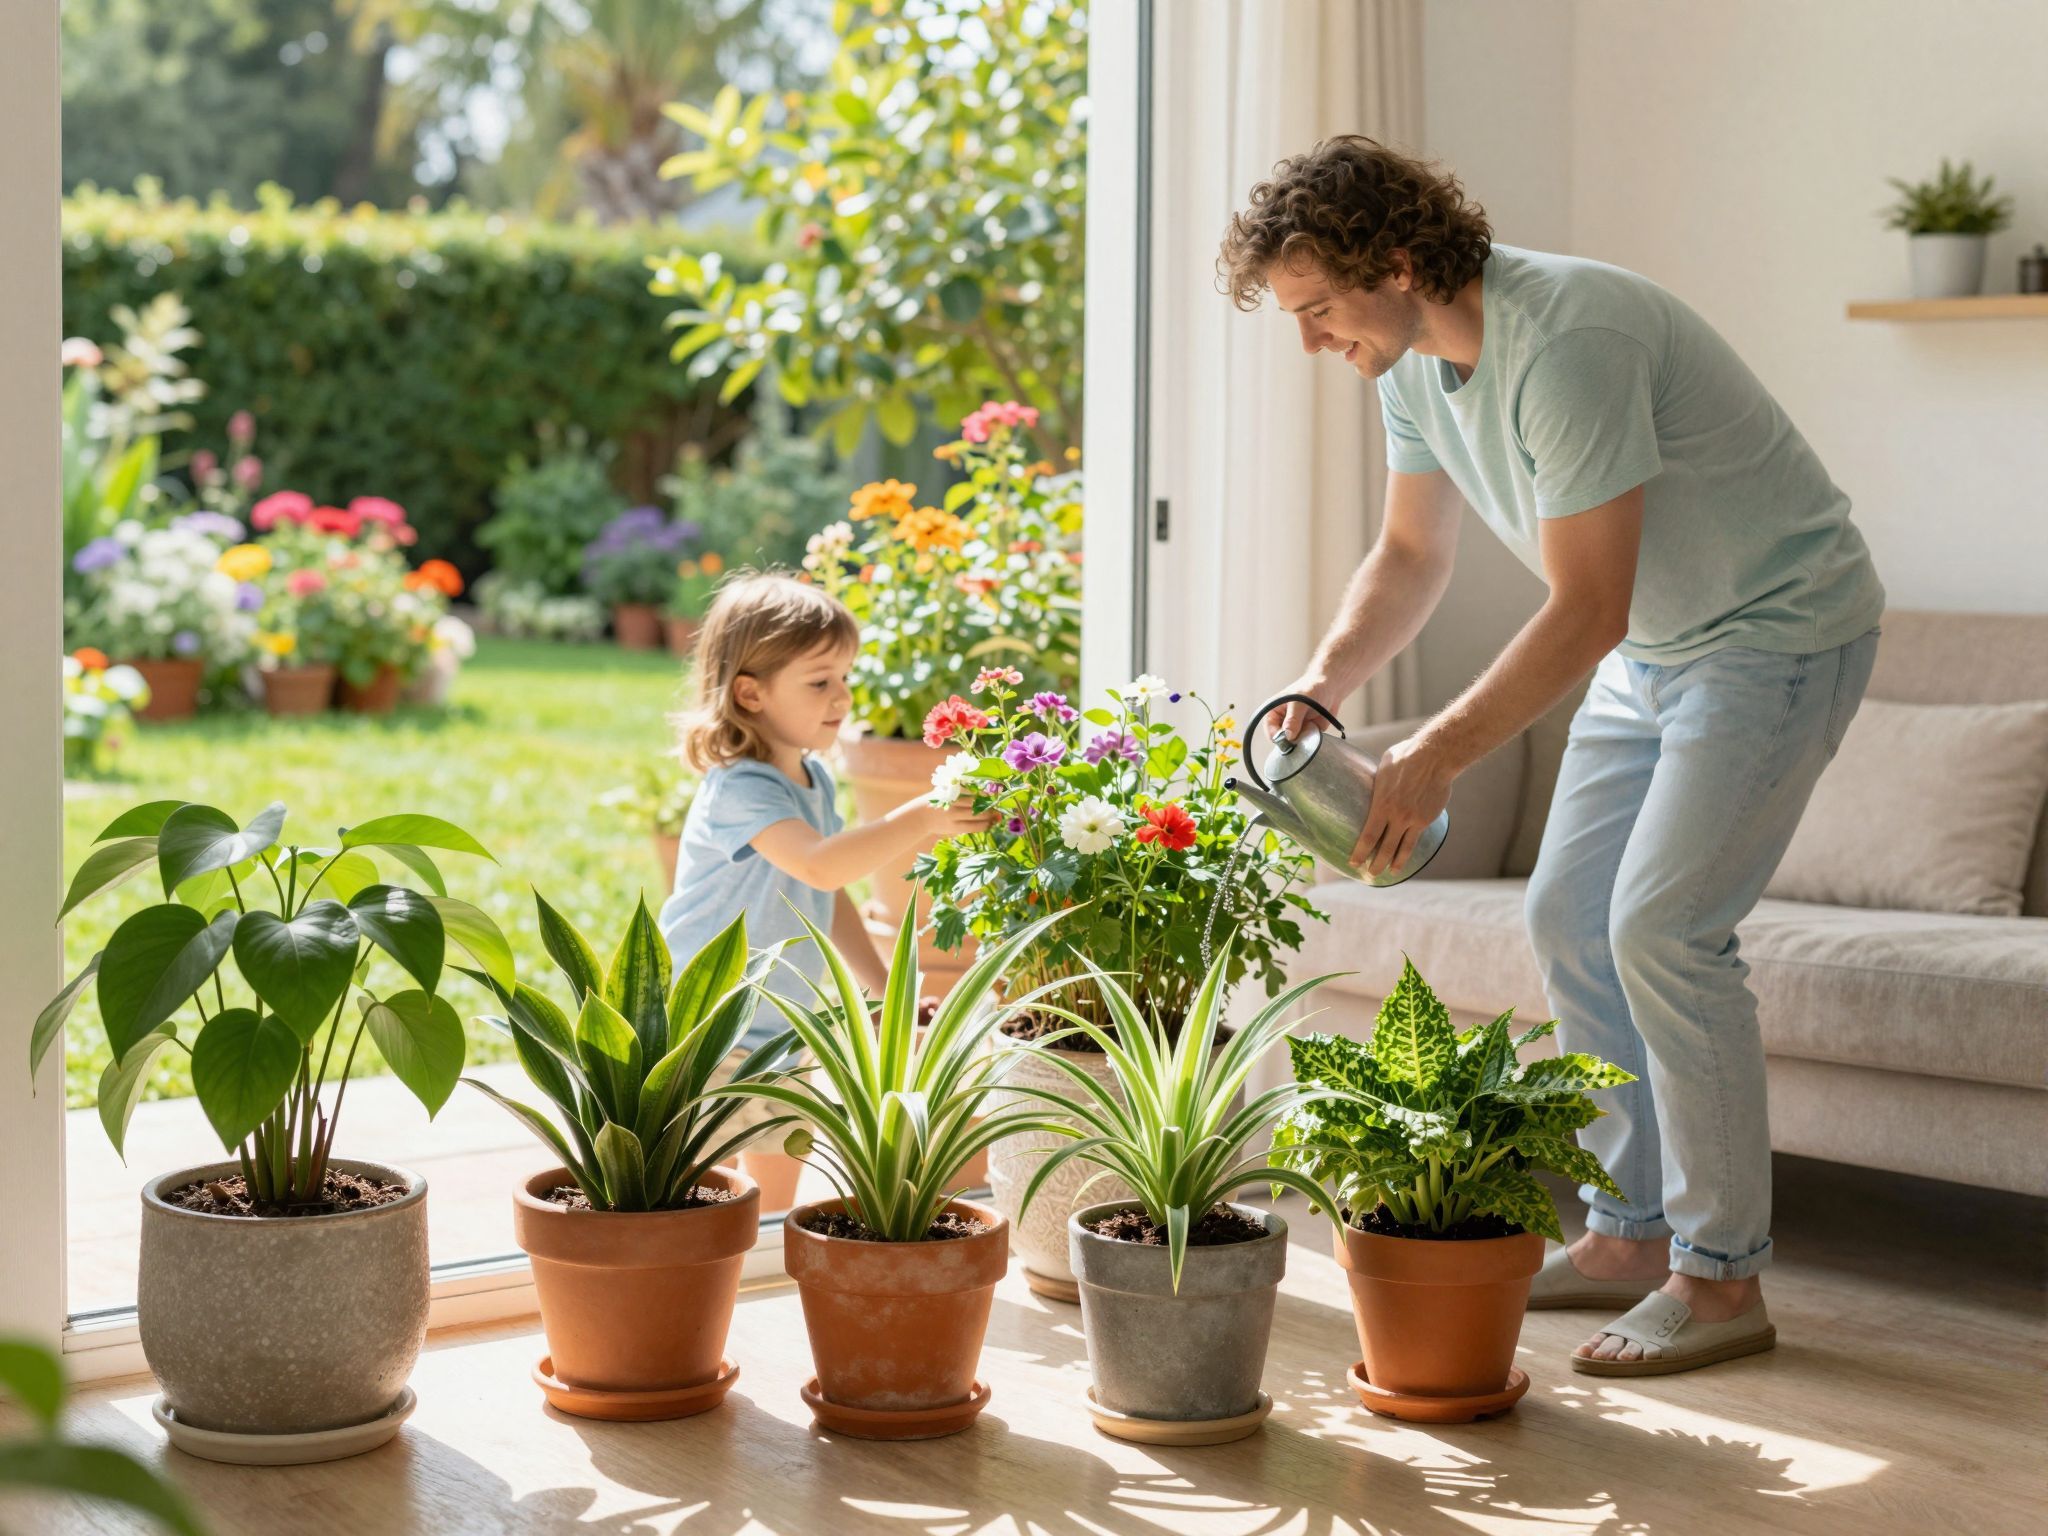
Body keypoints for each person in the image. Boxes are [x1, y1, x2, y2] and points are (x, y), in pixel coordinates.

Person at [1221, 137, 1884, 1376]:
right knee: (1570, 918)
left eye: (1318, 311)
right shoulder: (1408, 359)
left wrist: (1431, 754)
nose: (1311, 342)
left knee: (1664, 930)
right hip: (1656, 655)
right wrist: (1322, 686)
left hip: (1773, 632)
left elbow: (1587, 608)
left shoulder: (1569, 339)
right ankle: (1627, 1240)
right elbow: (1411, 556)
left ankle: (1721, 1277)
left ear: (1400, 264)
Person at [663, 571, 989, 1205]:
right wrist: (921, 816)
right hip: (714, 1030)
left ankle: (761, 1282)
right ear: (750, 694)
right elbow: (819, 866)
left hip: (785, 1030)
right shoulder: (741, 788)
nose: (841, 696)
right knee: (706, 1200)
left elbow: (824, 898)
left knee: (773, 1195)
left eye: (844, 677)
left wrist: (883, 992)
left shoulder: (812, 779)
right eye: (819, 682)